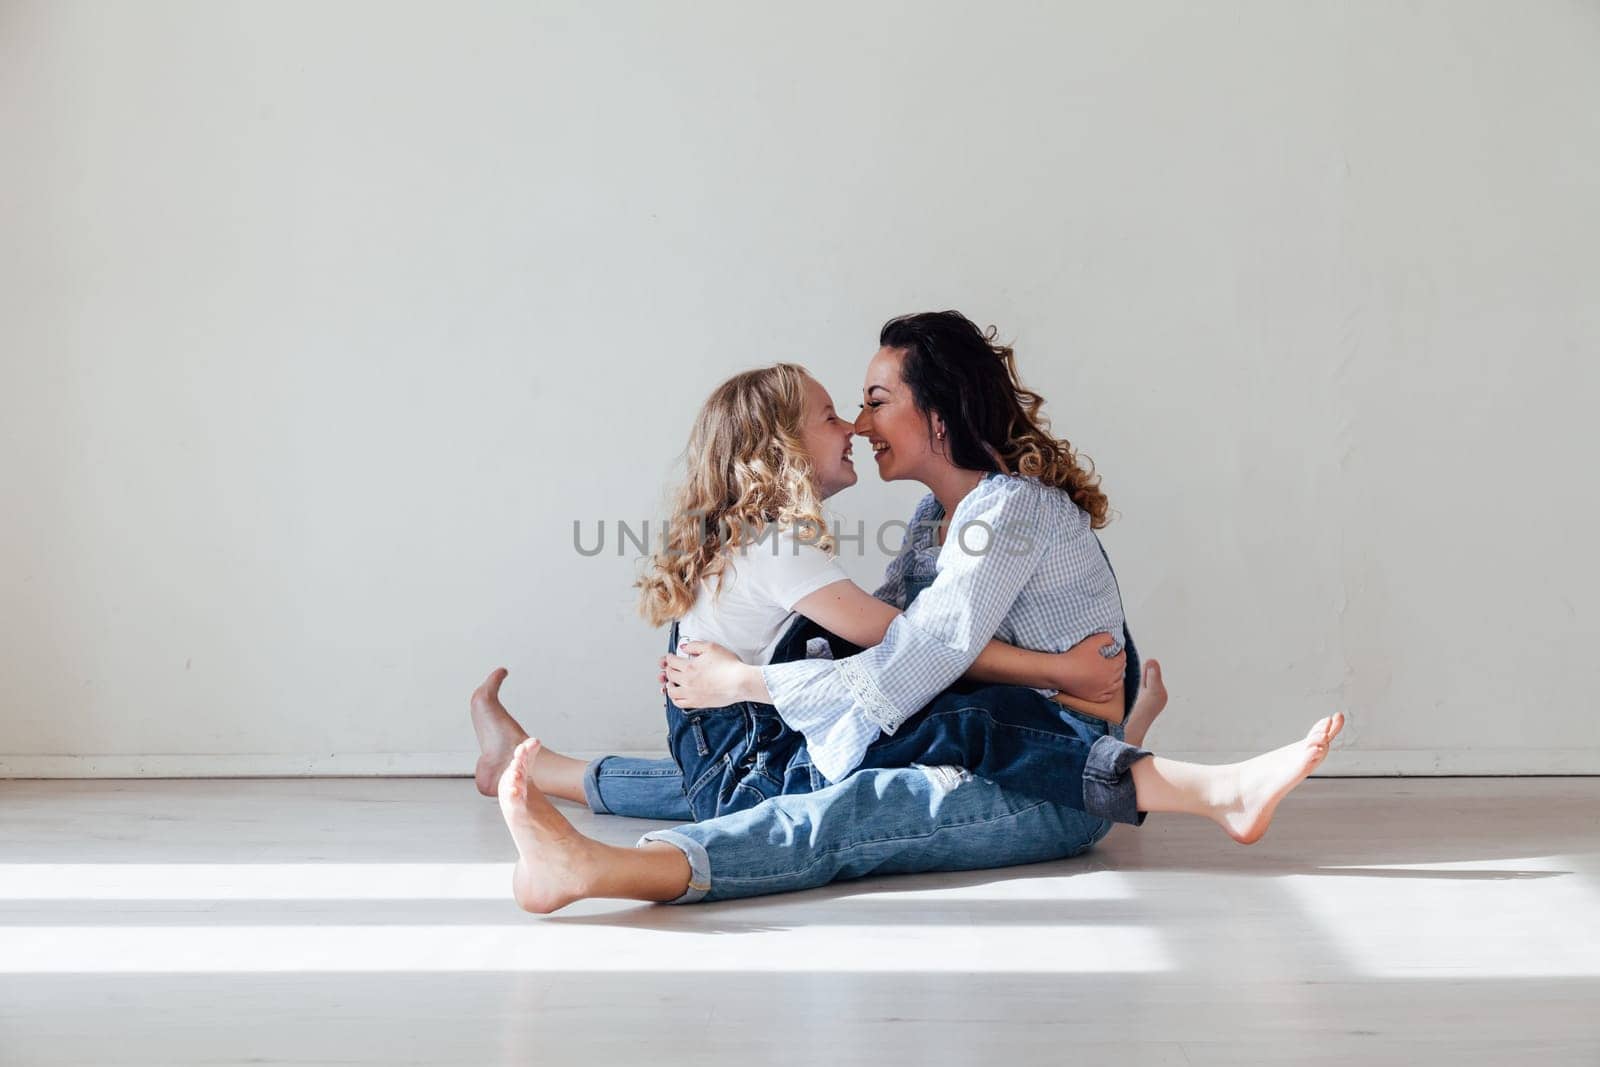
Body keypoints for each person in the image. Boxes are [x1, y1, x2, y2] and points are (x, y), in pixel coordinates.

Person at [478, 311, 1343, 913]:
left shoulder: (1004, 509)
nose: (859, 422)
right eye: (845, 408)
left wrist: (750, 679)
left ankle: (613, 870)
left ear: (936, 413)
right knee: (793, 758)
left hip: (1041, 782)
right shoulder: (941, 519)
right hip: (1028, 747)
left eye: (876, 400)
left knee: (835, 805)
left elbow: (915, 657)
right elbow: (887, 635)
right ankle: (547, 770)